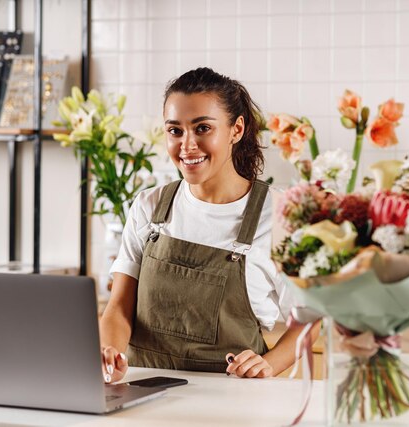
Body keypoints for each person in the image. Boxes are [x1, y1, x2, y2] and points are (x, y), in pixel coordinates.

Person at [99, 67, 306, 383]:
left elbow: (308, 319)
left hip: (234, 398)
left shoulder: (278, 214)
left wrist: (269, 364)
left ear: (236, 129)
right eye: (175, 131)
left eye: (203, 128)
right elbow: (118, 308)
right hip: (143, 390)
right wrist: (108, 351)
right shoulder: (149, 206)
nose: (187, 146)